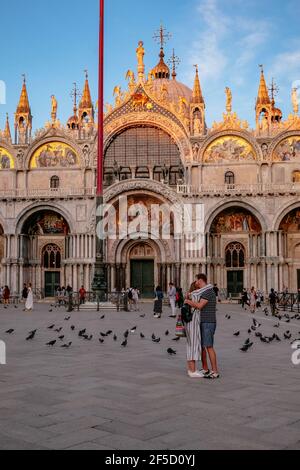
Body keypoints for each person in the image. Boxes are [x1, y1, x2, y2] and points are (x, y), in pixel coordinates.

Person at [185, 274, 219, 379]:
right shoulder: (205, 291)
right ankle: (205, 369)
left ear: (200, 280)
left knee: (209, 347)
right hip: (204, 322)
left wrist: (188, 301)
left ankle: (215, 371)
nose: (195, 282)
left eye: (196, 280)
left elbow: (199, 306)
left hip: (208, 322)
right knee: (204, 347)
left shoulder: (208, 292)